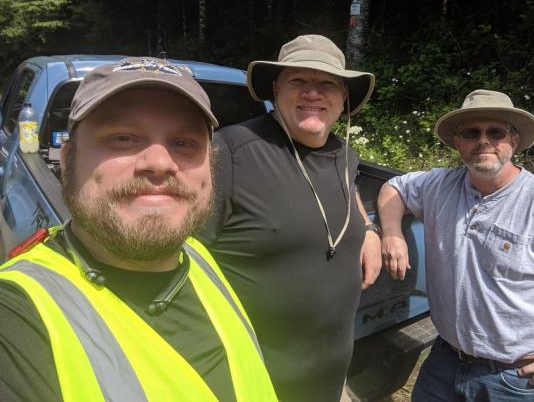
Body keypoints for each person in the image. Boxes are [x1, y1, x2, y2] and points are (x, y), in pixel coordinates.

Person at [0, 57, 277, 402]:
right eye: (123, 138)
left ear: (211, 169)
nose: (160, 163)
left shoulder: (198, 258)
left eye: (183, 143)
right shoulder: (17, 317)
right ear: (68, 160)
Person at [378, 89, 534, 401]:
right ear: (458, 143)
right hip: (444, 361)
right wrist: (391, 232)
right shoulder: (438, 185)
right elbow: (395, 187)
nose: (483, 141)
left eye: (495, 132)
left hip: (514, 380)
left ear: (513, 141)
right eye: (472, 133)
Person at [201, 35, 382, 402]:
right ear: (276, 89)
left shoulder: (343, 153)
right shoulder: (229, 152)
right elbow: (182, 261)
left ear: (343, 95)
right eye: (298, 81)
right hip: (251, 384)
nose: (313, 93)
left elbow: (348, 193)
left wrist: (371, 230)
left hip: (327, 381)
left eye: (327, 83)